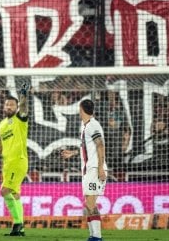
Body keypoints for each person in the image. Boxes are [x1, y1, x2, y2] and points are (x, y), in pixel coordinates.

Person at [61, 99, 107, 241]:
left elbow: (100, 145)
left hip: (94, 169)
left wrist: (100, 168)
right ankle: (93, 236)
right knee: (88, 203)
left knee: (90, 203)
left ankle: (97, 237)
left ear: (81, 109)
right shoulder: (85, 126)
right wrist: (73, 153)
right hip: (88, 170)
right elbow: (88, 147)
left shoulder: (93, 125)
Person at [0, 83, 30, 236]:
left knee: (4, 191)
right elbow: (0, 146)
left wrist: (23, 96)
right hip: (7, 164)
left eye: (12, 105)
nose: (9, 106)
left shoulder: (20, 119)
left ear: (15, 107)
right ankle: (19, 228)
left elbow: (24, 108)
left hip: (18, 161)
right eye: (7, 104)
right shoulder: (1, 124)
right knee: (14, 195)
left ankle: (18, 224)